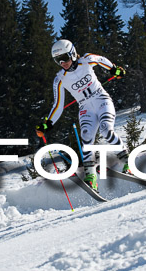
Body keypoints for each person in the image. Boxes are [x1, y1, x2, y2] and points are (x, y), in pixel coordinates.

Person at [36, 39, 128, 192]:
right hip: (85, 108)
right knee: (86, 138)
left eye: (64, 57)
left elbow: (101, 60)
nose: (62, 62)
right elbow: (58, 105)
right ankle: (91, 177)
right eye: (58, 60)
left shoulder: (86, 60)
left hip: (101, 100)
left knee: (106, 130)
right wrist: (48, 123)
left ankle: (127, 161)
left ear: (72, 53)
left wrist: (113, 69)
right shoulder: (60, 79)